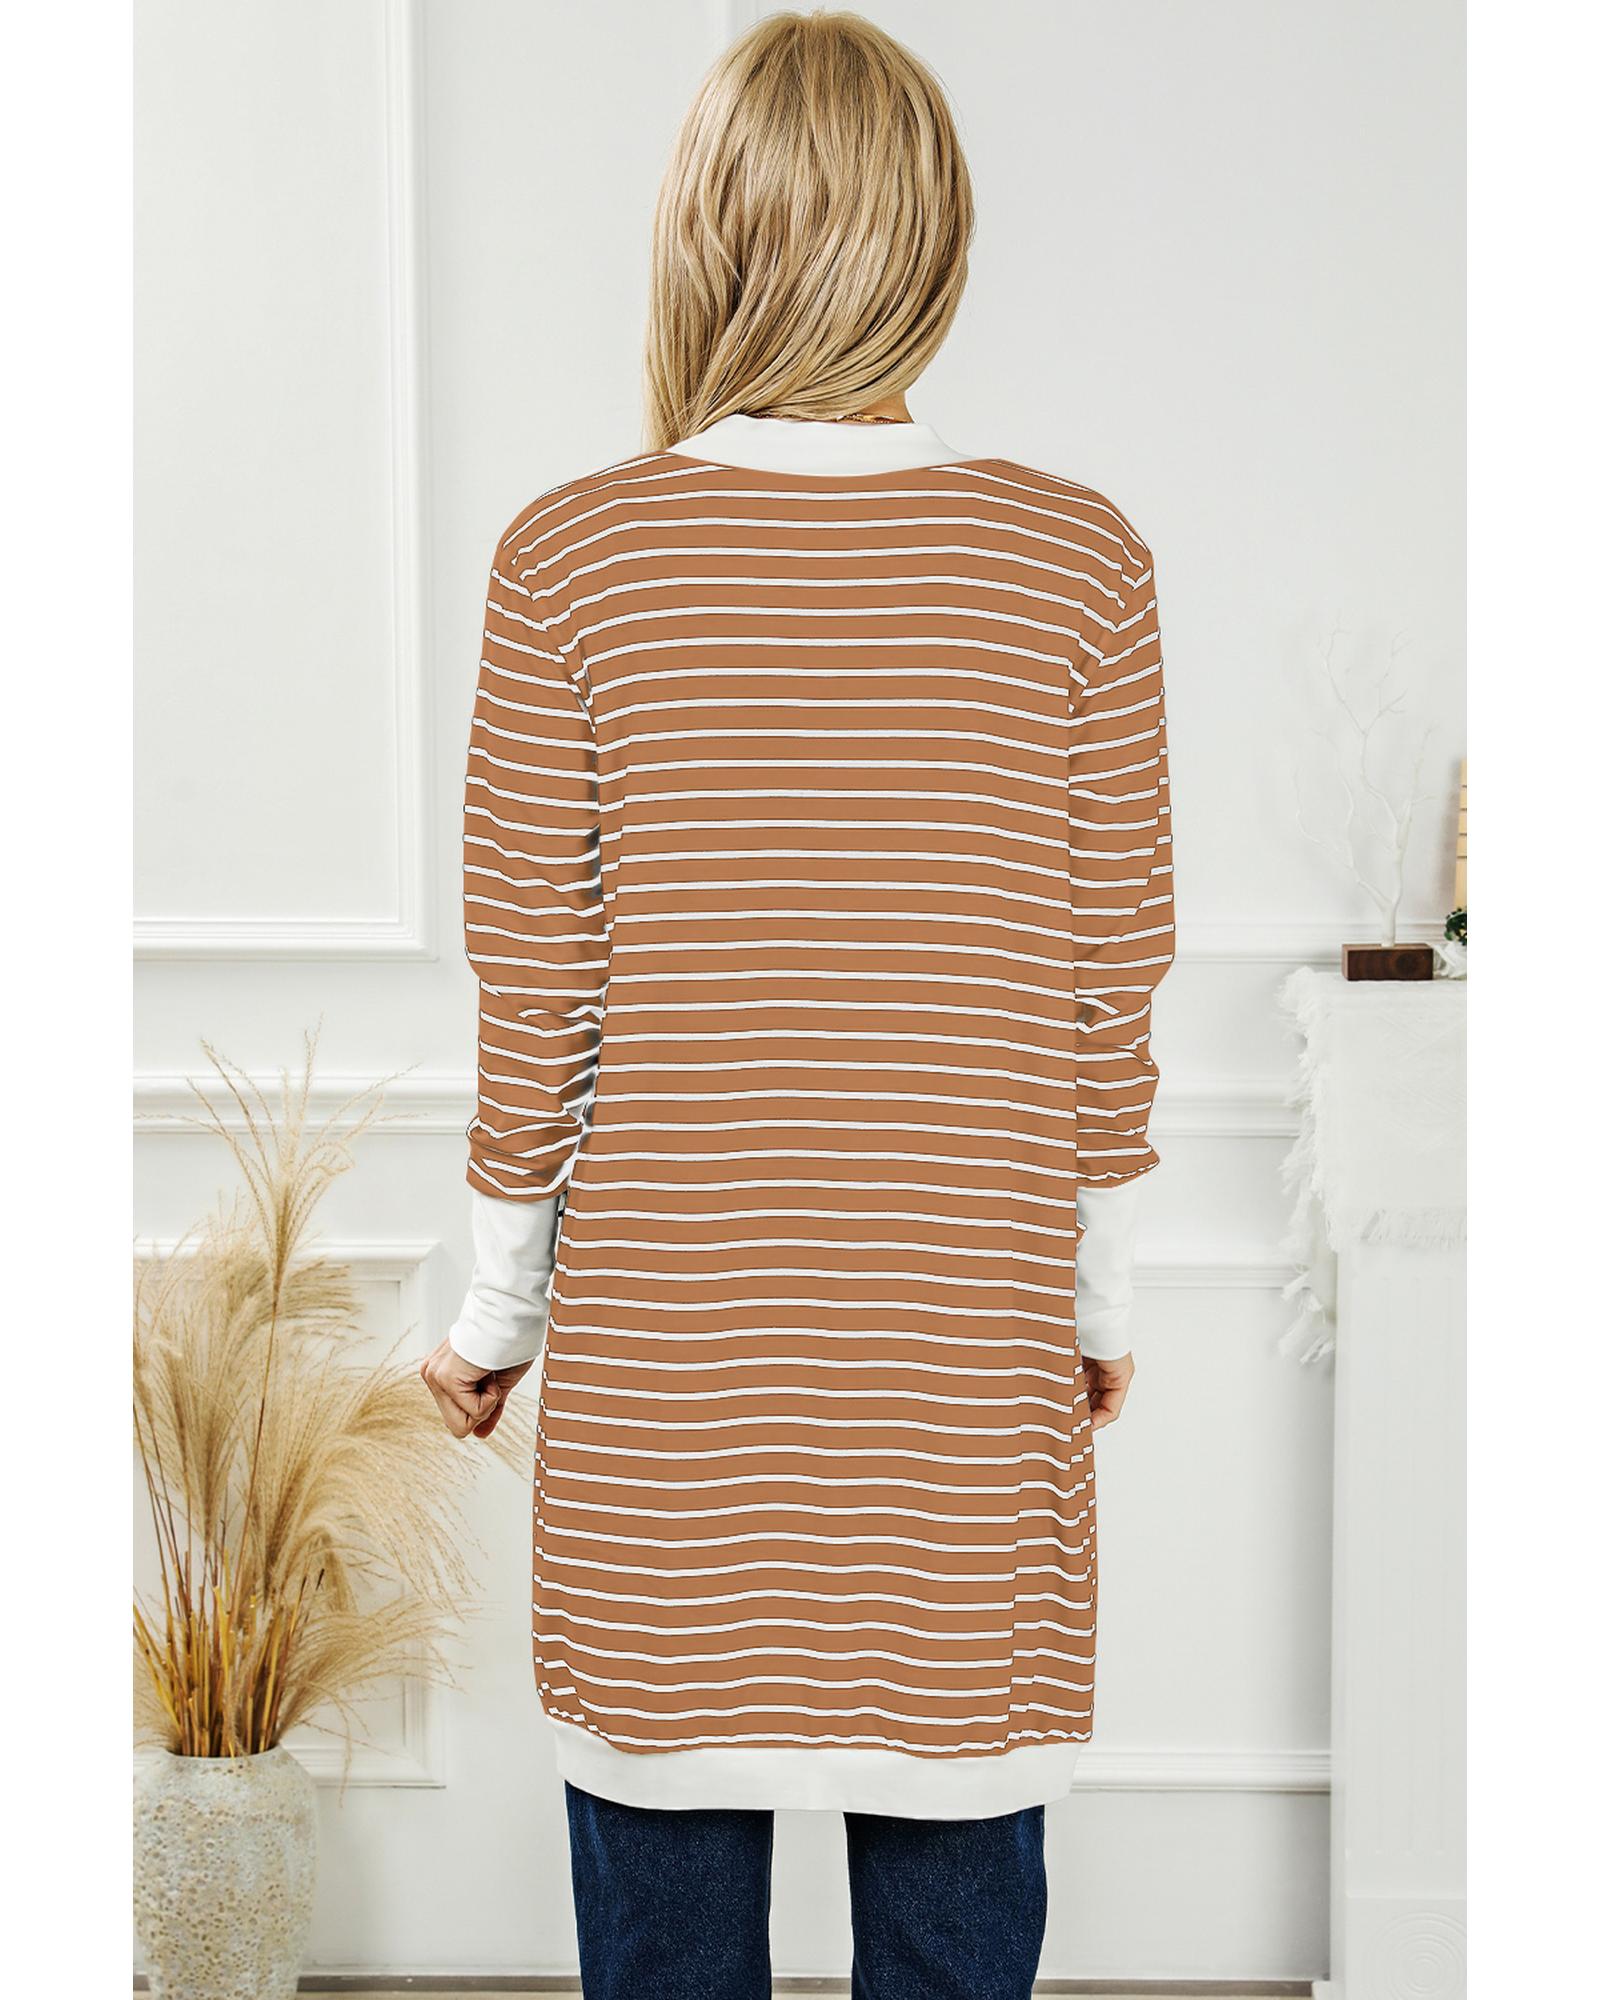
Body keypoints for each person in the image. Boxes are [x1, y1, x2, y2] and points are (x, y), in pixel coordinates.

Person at [420, 12, 1172, 1996]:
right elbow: (1104, 986)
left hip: (675, 1408)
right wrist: (1093, 1303)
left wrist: (490, 1322)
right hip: (959, 1385)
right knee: (957, 1942)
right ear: (935, 240)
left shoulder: (570, 558)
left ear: (703, 236)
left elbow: (539, 993)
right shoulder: (1077, 561)